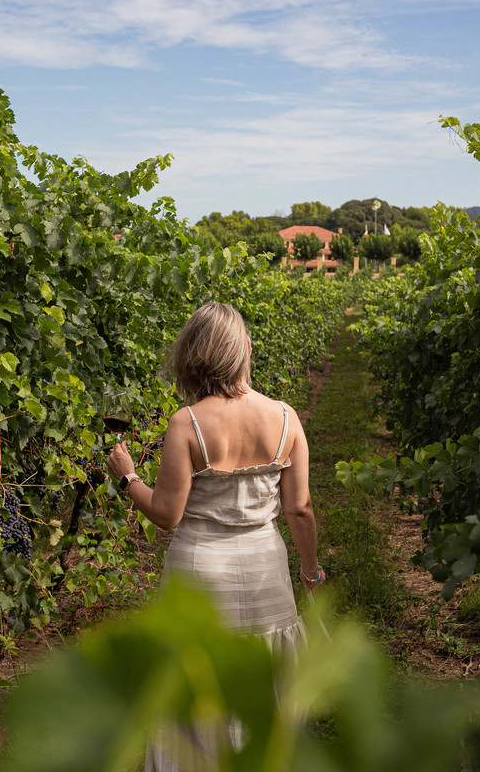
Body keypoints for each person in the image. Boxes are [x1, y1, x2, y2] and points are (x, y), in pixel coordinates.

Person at [107, 302, 323, 770]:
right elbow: (299, 508)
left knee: (194, 697)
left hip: (199, 576)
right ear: (244, 349)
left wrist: (128, 477)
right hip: (266, 571)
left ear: (193, 356)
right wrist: (310, 569)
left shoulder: (187, 423)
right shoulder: (286, 418)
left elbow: (166, 515)